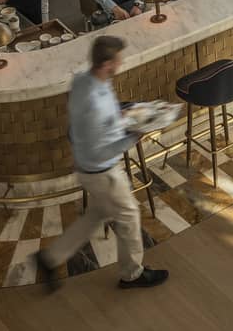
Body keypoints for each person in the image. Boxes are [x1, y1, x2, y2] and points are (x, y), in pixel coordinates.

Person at [34, 36, 168, 291]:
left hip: (86, 166)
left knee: (98, 213)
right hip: (102, 171)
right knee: (129, 215)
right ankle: (132, 274)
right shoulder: (94, 103)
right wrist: (135, 136)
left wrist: (120, 117)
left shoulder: (84, 80)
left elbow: (96, 127)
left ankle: (50, 258)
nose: (121, 63)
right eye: (118, 60)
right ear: (107, 64)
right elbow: (101, 150)